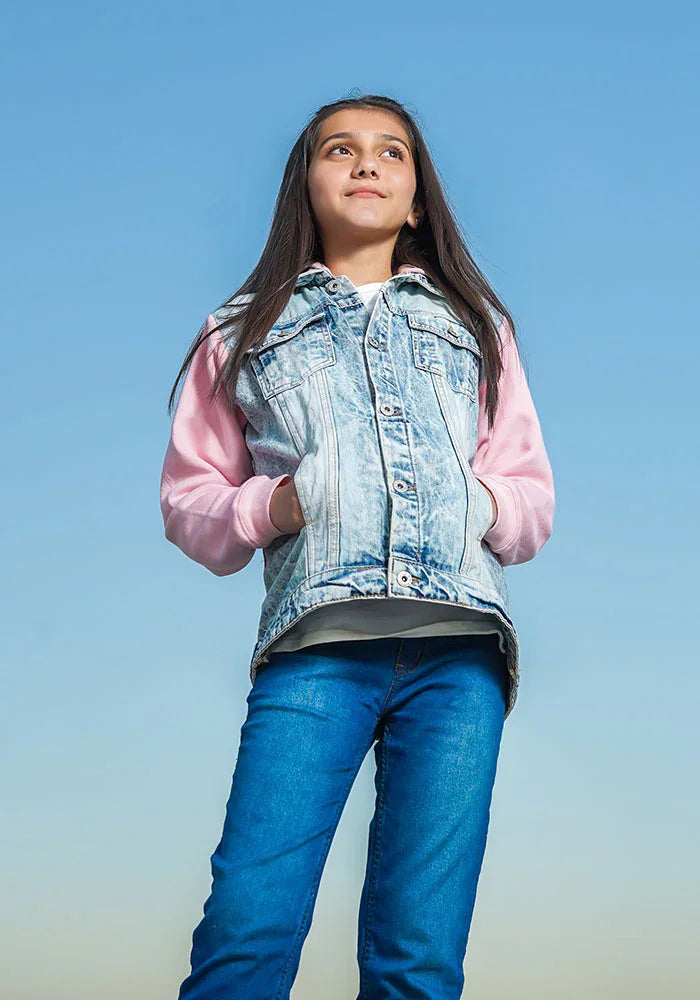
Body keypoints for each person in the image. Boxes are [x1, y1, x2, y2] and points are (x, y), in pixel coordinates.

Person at [160, 93, 555, 1000]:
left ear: (417, 199)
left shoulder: (477, 325)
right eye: (340, 149)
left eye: (391, 152)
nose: (367, 163)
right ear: (306, 182)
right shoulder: (238, 330)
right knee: (247, 929)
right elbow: (190, 504)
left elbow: (532, 502)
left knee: (418, 955)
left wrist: (475, 499)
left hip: (458, 658)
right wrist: (278, 504)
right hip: (316, 653)